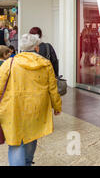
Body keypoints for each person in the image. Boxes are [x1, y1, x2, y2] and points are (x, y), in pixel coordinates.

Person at [0, 33, 62, 166]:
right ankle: (27, 162)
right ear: (37, 48)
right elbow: (53, 89)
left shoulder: (9, 63)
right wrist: (57, 107)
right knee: (31, 136)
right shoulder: (46, 64)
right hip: (36, 108)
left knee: (16, 142)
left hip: (13, 108)